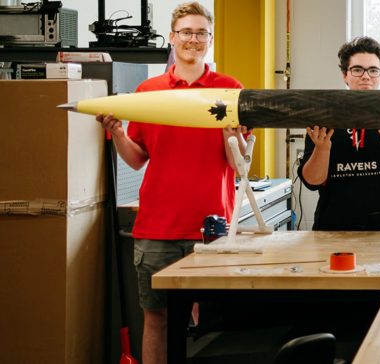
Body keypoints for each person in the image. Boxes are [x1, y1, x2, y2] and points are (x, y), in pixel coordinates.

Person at [95, 3, 244, 363]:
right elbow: (136, 159)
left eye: (201, 33)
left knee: (211, 324)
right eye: (186, 32)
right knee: (157, 319)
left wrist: (233, 136)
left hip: (211, 229)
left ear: (210, 39)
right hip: (157, 228)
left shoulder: (228, 90)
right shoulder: (150, 92)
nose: (193, 39)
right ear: (173, 38)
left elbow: (238, 165)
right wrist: (117, 133)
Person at [298, 36, 380, 230]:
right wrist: (322, 149)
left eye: (373, 70)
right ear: (344, 75)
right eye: (357, 70)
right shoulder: (324, 119)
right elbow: (313, 182)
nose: (366, 76)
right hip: (333, 231)